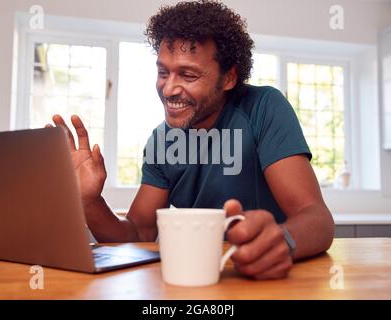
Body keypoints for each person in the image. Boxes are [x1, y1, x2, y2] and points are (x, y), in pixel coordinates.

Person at [47, 0, 334, 280]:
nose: (169, 88)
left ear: (229, 78)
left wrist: (283, 243)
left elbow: (316, 218)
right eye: (163, 72)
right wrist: (89, 202)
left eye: (188, 74)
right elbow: (139, 234)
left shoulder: (263, 108)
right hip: (197, 279)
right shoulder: (161, 141)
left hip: (270, 282)